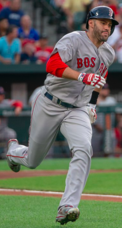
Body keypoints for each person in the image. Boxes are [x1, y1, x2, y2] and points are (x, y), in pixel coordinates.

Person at [6, 6, 118, 225]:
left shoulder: (109, 53)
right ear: (91, 23)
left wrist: (92, 104)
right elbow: (52, 64)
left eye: (110, 23)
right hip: (50, 103)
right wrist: (82, 77)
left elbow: (99, 78)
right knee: (33, 160)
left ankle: (67, 206)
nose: (108, 26)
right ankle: (14, 152)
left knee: (84, 148)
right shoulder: (73, 40)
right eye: (103, 22)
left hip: (77, 108)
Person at [0, 86, 23, 158]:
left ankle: (8, 154)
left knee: (11, 134)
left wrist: (18, 107)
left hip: (2, 131)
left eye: (2, 94)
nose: (2, 96)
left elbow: (18, 103)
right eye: (0, 94)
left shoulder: (5, 102)